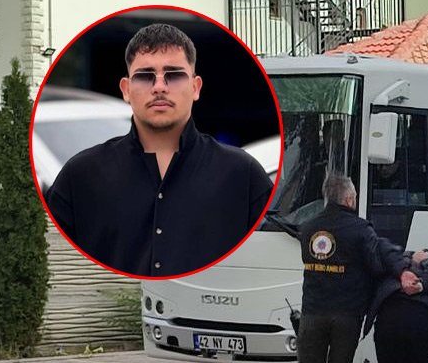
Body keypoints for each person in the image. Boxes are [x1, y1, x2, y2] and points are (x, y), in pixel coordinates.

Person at [46, 23, 272, 277]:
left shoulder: (243, 175)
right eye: (145, 75)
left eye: (173, 75)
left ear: (196, 87)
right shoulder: (81, 176)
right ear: (126, 90)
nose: (160, 87)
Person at [294, 175, 415, 363]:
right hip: (346, 316)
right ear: (349, 199)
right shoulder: (360, 230)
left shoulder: (308, 228)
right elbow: (377, 261)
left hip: (311, 313)